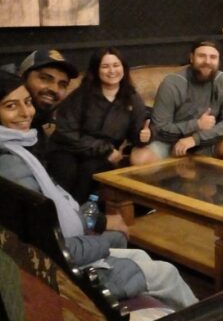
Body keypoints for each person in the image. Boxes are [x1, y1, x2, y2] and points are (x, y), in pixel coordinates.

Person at [0, 70, 197, 311]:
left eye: (27, 102)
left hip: (74, 222)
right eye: (11, 106)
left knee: (137, 249)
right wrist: (101, 234)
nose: (26, 113)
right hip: (65, 270)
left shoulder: (9, 145)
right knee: (165, 271)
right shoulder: (9, 163)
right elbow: (56, 245)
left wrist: (96, 219)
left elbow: (62, 202)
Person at [47, 48, 152, 204]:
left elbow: (137, 132)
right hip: (69, 148)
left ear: (123, 68)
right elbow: (66, 132)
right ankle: (57, 215)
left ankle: (77, 216)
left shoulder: (132, 97)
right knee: (65, 171)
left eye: (116, 65)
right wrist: (106, 149)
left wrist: (144, 136)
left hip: (102, 156)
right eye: (105, 66)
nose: (111, 71)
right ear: (96, 70)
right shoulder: (82, 94)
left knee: (90, 171)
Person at [134, 40, 223, 164]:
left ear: (218, 61)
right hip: (171, 142)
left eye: (213, 57)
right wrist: (196, 125)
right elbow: (159, 127)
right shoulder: (172, 83)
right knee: (139, 158)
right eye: (201, 56)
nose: (207, 61)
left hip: (208, 141)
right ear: (191, 58)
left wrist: (195, 139)